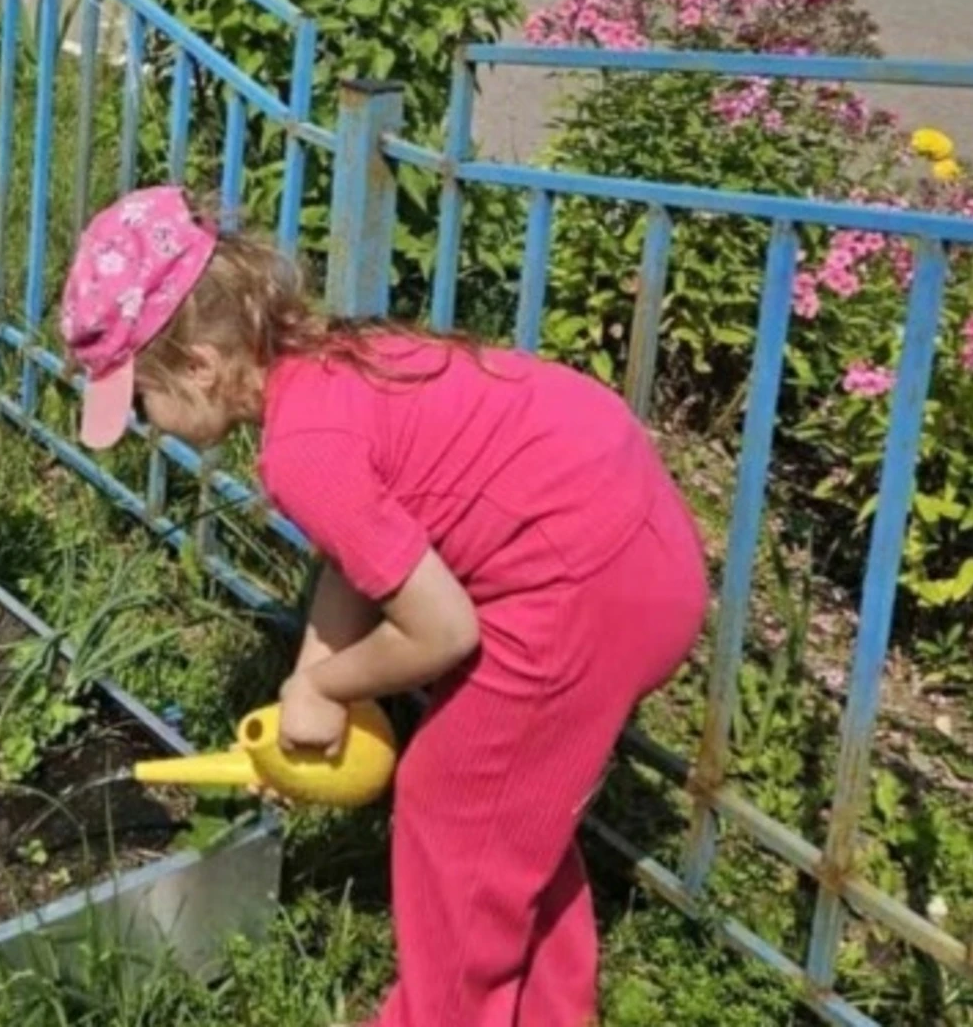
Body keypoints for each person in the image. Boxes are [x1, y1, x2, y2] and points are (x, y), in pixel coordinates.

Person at [60, 185, 708, 1027]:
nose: (147, 425)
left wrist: (328, 692)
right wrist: (310, 677)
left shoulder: (303, 454)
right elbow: (361, 561)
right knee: (508, 818)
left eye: (141, 402)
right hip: (632, 541)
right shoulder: (331, 362)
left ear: (198, 367)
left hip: (584, 589)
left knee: (453, 806)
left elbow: (442, 630)